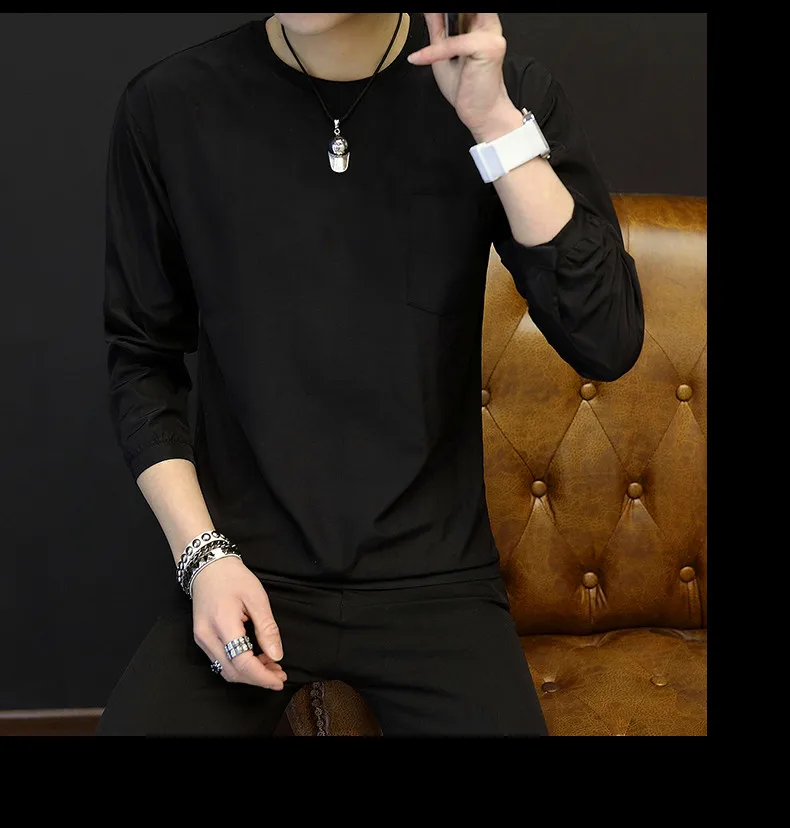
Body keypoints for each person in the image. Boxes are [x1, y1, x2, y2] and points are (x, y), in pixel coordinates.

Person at [96, 12, 644, 737]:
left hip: (436, 584)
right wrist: (203, 559)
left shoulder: (501, 93)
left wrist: (491, 123)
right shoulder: (170, 105)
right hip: (244, 569)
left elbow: (606, 339)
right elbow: (142, 358)